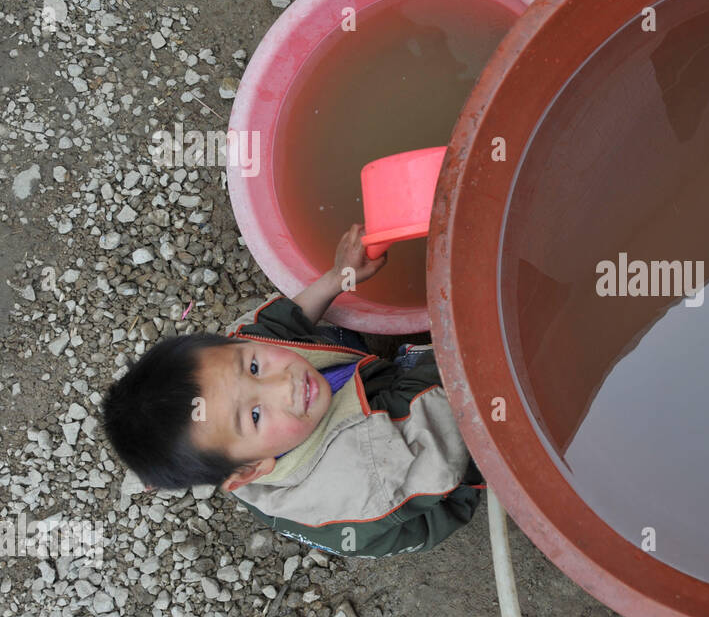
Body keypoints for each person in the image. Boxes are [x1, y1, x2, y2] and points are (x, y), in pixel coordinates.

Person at [101, 224, 485, 557]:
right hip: (424, 476)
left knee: (315, 335)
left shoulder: (237, 380)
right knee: (474, 373)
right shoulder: (366, 467)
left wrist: (339, 277)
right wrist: (469, 310)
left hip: (357, 418)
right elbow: (449, 402)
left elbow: (274, 327)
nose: (282, 384)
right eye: (254, 414)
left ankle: (366, 371)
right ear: (252, 470)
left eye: (253, 367)